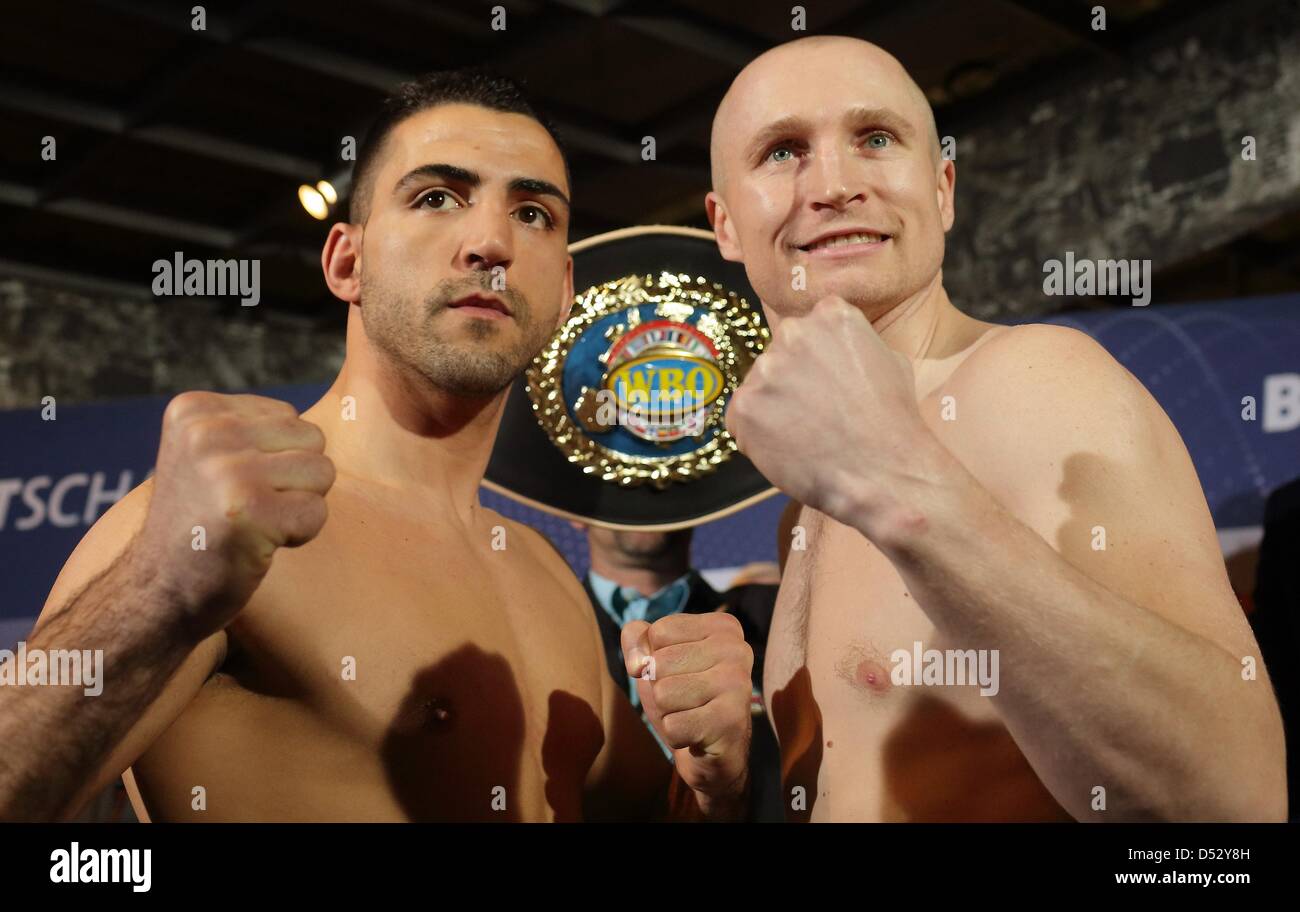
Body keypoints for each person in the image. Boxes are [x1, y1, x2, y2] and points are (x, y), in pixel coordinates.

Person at [4, 70, 753, 822]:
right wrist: (156, 590)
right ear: (346, 262)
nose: (491, 242)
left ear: (563, 292)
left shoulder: (544, 576)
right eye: (436, 198)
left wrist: (714, 778)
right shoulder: (215, 527)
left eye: (531, 212)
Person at [706, 35, 1285, 821]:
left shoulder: (1035, 380)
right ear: (726, 225)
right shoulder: (805, 511)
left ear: (941, 190)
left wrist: (900, 488)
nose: (835, 184)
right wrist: (724, 782)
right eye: (782, 151)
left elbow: (1237, 804)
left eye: (875, 139)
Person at [579, 523, 783, 820]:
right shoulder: (538, 634)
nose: (646, 484)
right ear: (575, 516)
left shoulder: (775, 615)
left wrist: (724, 788)